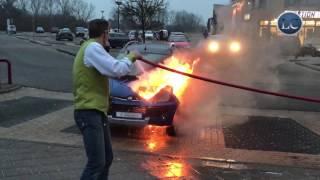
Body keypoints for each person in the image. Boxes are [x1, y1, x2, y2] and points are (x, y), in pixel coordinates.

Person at [72, 19, 140, 180]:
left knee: (106, 159)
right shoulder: (93, 48)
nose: (109, 36)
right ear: (104, 33)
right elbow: (116, 69)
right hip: (88, 112)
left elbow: (109, 68)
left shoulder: (91, 47)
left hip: (97, 111)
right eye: (108, 32)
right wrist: (131, 57)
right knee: (96, 162)